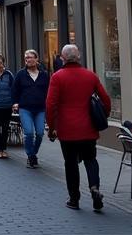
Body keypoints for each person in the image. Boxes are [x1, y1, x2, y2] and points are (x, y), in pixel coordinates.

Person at [46, 44, 111, 212]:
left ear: (62, 58)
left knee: (70, 163)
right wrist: (104, 116)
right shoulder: (90, 75)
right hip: (88, 127)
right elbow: (105, 99)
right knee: (91, 160)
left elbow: (50, 104)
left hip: (67, 130)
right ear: (79, 57)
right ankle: (94, 187)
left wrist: (52, 127)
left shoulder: (57, 77)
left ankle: (74, 198)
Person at [13, 49, 50, 168]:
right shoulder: (20, 74)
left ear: (36, 59)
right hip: (25, 108)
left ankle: (33, 153)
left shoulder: (44, 75)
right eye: (26, 58)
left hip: (40, 109)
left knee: (39, 133)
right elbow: (14, 90)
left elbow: (49, 92)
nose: (28, 60)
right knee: (29, 133)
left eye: (30, 57)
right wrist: (15, 102)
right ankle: (30, 155)